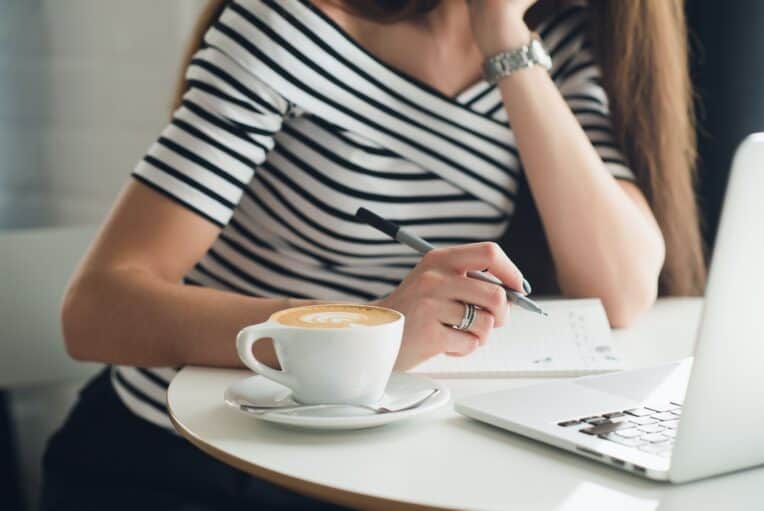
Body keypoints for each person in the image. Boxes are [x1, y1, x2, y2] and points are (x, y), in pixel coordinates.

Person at [41, 0, 706, 509]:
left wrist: (503, 33)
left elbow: (622, 287)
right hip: (187, 457)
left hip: (365, 459)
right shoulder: (291, 25)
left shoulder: (552, 38)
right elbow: (98, 306)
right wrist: (369, 329)